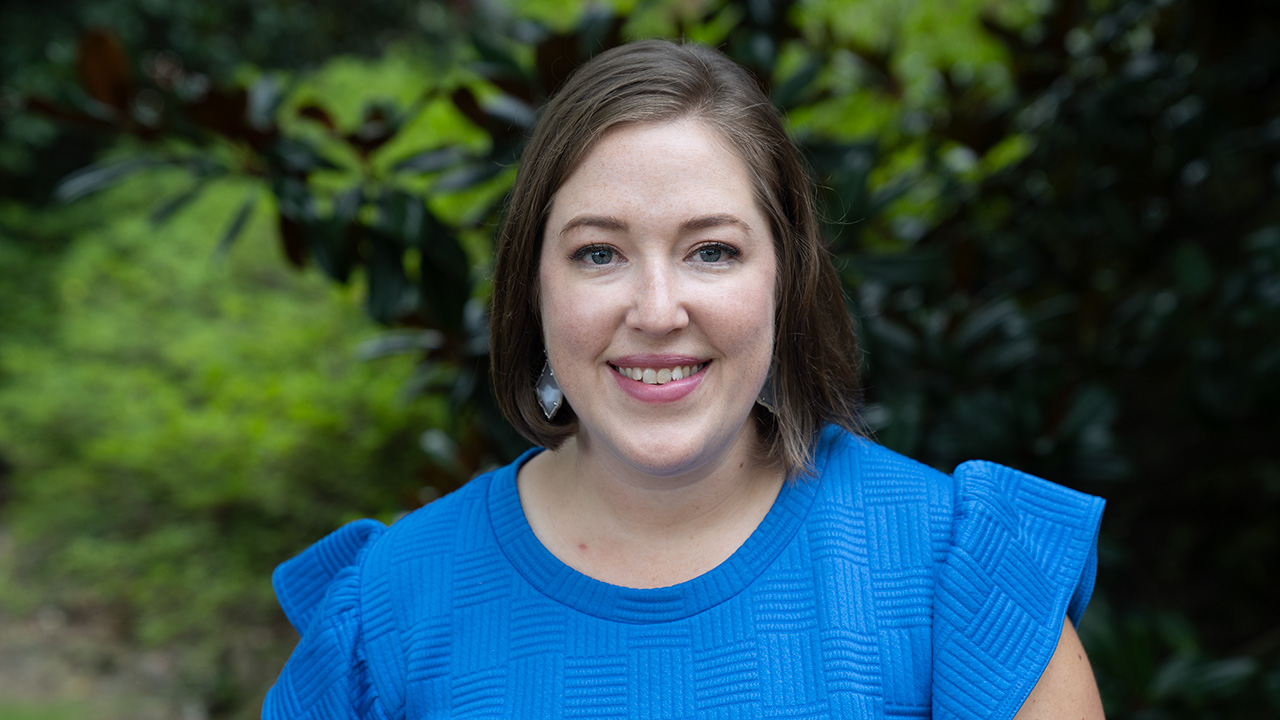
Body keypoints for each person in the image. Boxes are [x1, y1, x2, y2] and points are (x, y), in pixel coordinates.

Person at [263, 40, 1106, 719]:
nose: (658, 310)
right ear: (532, 285)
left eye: (712, 250)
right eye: (600, 253)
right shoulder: (390, 607)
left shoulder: (956, 578)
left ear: (785, 277)